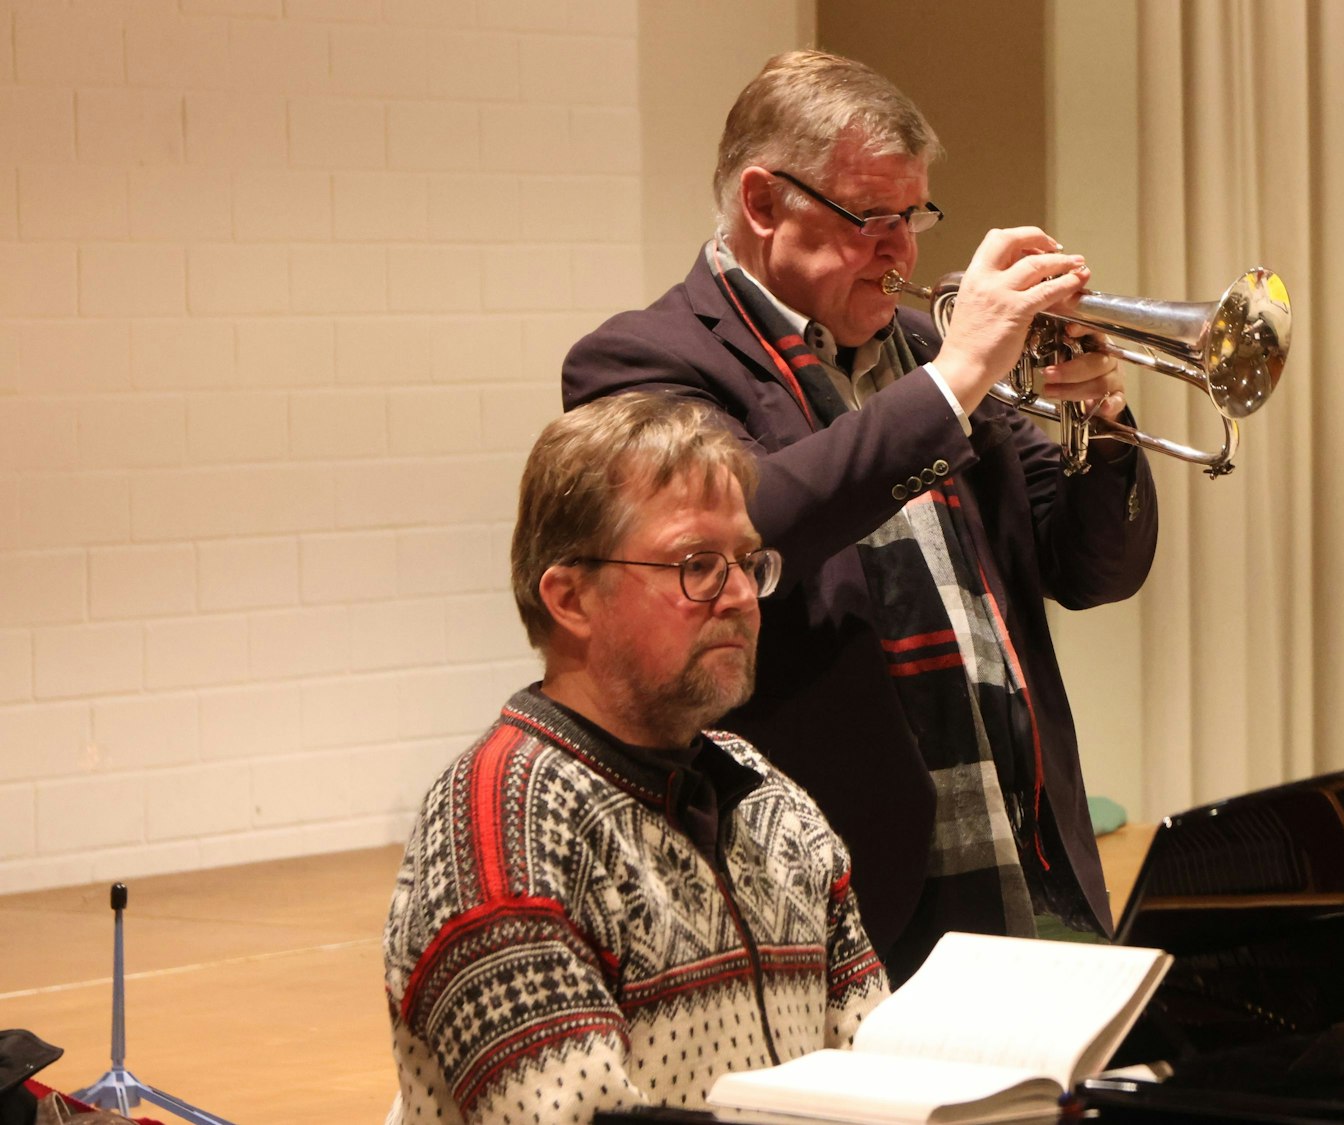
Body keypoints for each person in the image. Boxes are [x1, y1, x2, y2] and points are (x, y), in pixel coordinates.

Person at [563, 49, 1158, 982]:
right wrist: (954, 382)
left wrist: (1098, 421)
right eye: (871, 217)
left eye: (914, 216)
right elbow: (748, 528)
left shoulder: (927, 353)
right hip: (826, 886)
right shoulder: (641, 362)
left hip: (1022, 848)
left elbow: (1092, 570)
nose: (903, 253)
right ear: (763, 203)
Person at [381, 393, 888, 1123]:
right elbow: (568, 1116)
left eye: (748, 561)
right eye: (698, 564)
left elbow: (873, 1064)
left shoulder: (776, 804)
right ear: (571, 597)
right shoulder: (501, 826)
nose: (743, 595)